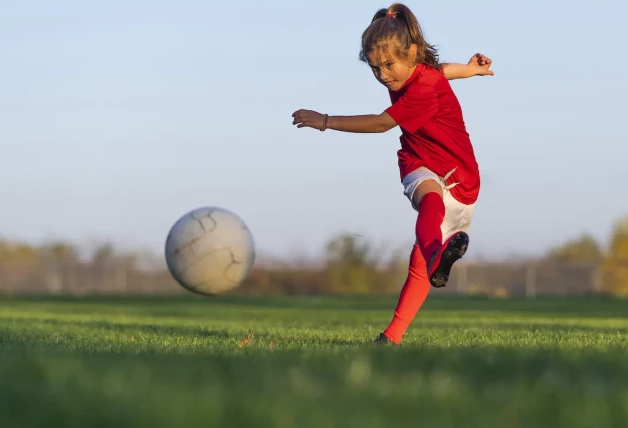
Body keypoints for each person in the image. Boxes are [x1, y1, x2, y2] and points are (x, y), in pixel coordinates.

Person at [291, 2, 493, 345]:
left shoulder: (423, 86)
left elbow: (383, 124)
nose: (384, 75)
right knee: (430, 202)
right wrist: (470, 70)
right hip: (419, 161)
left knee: (419, 269)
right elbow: (443, 69)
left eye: (388, 65)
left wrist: (325, 121)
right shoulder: (417, 71)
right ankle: (429, 270)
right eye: (374, 68)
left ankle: (398, 326)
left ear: (412, 53)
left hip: (461, 178)